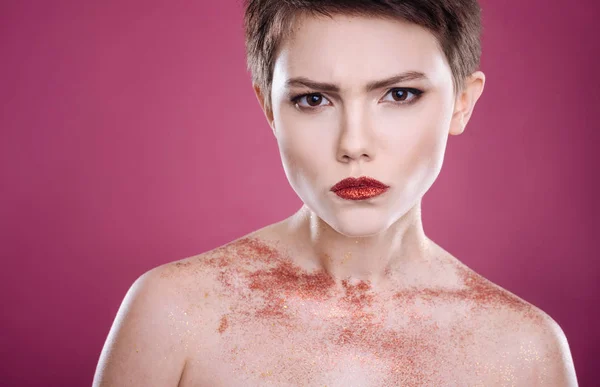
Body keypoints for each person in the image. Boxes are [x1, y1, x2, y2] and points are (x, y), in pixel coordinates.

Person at [93, 0, 579, 385]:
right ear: (270, 110)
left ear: (462, 102)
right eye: (313, 99)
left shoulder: (525, 351)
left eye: (400, 94)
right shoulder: (174, 313)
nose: (353, 145)